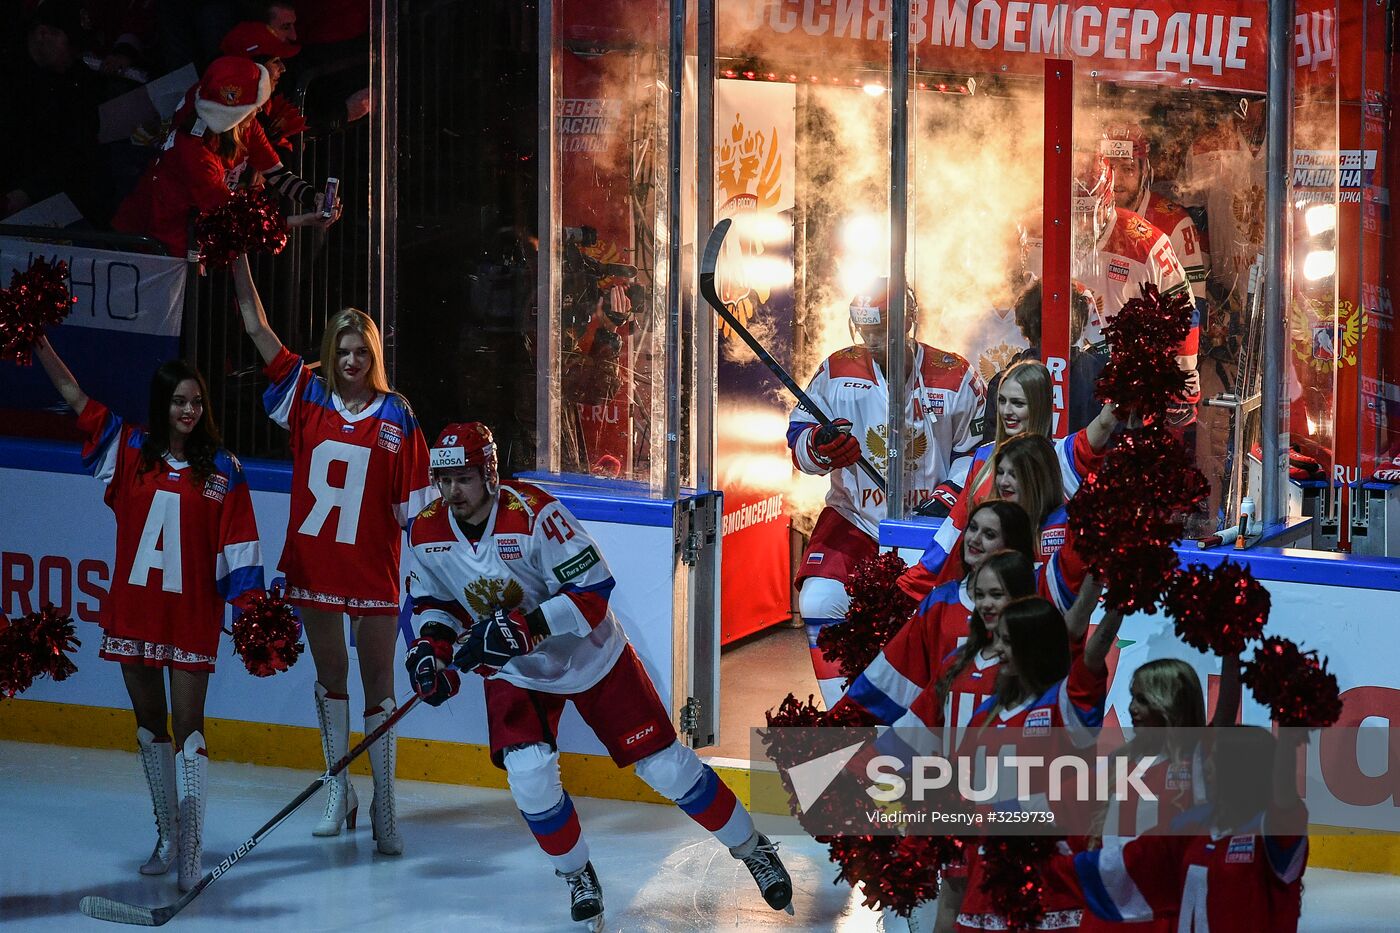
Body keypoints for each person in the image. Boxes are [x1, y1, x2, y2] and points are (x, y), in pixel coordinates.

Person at [404, 423, 794, 927]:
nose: (452, 491)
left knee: (665, 767)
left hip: (592, 656)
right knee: (528, 777)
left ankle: (752, 848)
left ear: (489, 474)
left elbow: (593, 591)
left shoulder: (536, 514)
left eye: (463, 478)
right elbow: (433, 604)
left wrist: (527, 625)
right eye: (444, 479)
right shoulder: (428, 530)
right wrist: (430, 652)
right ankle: (577, 875)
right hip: (516, 671)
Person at [32, 335, 265, 892]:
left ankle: (191, 850)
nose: (189, 412)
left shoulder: (224, 470)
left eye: (197, 402)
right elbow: (73, 395)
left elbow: (242, 550)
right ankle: (166, 833)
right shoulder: (129, 450)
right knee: (148, 727)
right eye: (180, 402)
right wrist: (36, 340)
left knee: (190, 730)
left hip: (190, 619)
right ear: (162, 404)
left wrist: (255, 616)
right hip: (135, 614)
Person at [231, 253, 432, 855]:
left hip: (373, 571)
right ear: (330, 351)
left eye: (362, 352)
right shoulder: (305, 397)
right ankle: (337, 790)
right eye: (343, 351)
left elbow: (415, 510)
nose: (351, 362)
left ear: (374, 356)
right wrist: (238, 253)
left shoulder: (398, 413)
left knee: (380, 683)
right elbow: (256, 327)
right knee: (330, 680)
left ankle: (386, 804)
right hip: (316, 566)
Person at [788, 278, 985, 706]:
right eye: (867, 331)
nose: (874, 342)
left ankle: (914, 712)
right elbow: (799, 441)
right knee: (820, 599)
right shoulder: (836, 369)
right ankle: (846, 713)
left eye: (882, 330)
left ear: (909, 320)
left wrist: (949, 496)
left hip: (928, 527)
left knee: (925, 621)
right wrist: (822, 448)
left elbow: (977, 452)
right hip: (856, 516)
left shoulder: (957, 375)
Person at [953, 586, 1124, 933]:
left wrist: (1122, 600)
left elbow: (1091, 653)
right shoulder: (984, 717)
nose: (997, 649)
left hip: (1052, 887)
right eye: (997, 638)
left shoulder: (1062, 706)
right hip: (987, 882)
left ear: (1032, 648)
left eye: (1007, 641)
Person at [903, 359, 1119, 600]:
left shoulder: (1060, 457)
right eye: (1002, 401)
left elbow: (1104, 422)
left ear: (1038, 406)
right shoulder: (984, 457)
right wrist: (911, 586)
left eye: (1017, 403)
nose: (1007, 411)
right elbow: (955, 531)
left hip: (1035, 603)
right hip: (985, 601)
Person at [1063, 726, 1308, 931]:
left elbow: (1285, 801)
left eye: (1216, 758)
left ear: (1239, 769)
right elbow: (1133, 863)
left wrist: (1287, 740)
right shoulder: (1193, 825)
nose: (1206, 766)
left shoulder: (1270, 834)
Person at [1024, 151, 1198, 423]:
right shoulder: (1035, 231)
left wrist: (1184, 385)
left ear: (1106, 201)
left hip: (1124, 385)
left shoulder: (1148, 243)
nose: (1081, 224)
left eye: (1088, 212)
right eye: (1073, 212)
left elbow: (1183, 314)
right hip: (1053, 374)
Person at [1077, 655, 1241, 933]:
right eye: (1132, 697)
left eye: (1142, 699)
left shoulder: (1197, 761)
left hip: (1162, 911)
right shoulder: (1118, 762)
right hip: (1110, 909)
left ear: (1171, 704)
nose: (1132, 708)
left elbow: (1224, 714)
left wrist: (1232, 650)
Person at [112, 56, 328, 257]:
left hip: (190, 241)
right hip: (156, 245)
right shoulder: (194, 152)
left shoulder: (246, 126)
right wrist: (304, 219)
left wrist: (313, 198)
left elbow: (276, 173)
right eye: (253, 107)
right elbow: (236, 220)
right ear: (232, 115)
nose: (258, 112)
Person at [0, 0, 107, 223]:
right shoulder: (8, 71)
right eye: (70, 45)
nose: (76, 54)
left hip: (52, 196)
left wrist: (30, 191)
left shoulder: (78, 80)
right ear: (43, 34)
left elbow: (81, 149)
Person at [980, 280, 1107, 445]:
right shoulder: (1104, 375)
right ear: (1080, 322)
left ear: (1025, 324)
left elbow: (992, 451)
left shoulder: (1004, 381)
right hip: (1085, 470)